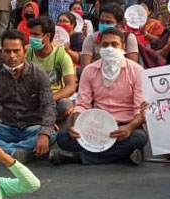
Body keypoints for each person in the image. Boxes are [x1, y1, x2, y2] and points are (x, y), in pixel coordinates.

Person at [50, 27, 147, 166]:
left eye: (114, 44)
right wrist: (77, 126)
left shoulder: (136, 71)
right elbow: (82, 104)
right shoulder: (90, 70)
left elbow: (140, 109)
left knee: (140, 137)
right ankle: (123, 155)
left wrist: (130, 128)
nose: (109, 48)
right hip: (96, 127)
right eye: (105, 45)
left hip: (124, 127)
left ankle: (75, 157)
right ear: (100, 46)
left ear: (123, 47)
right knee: (63, 137)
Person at [0, 30, 56, 162]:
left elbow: (49, 106)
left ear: (24, 52)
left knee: (51, 135)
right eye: (7, 51)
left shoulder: (38, 73)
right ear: (1, 52)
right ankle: (16, 152)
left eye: (16, 51)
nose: (12, 56)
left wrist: (44, 133)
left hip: (32, 128)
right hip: (7, 128)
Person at [27, 16, 76, 125]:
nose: (31, 38)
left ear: (47, 36)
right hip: (31, 99)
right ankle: (43, 121)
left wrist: (50, 98)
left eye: (36, 35)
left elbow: (71, 87)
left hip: (53, 99)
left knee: (66, 105)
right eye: (31, 34)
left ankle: (29, 121)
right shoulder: (27, 53)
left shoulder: (61, 56)